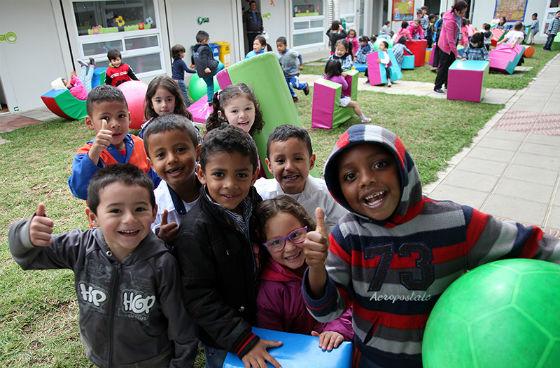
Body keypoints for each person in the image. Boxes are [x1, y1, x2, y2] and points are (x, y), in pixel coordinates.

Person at [301, 124, 560, 368]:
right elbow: (327, 311)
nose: (366, 180)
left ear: (403, 166)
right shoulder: (348, 234)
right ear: (339, 189)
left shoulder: (455, 223)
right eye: (350, 175)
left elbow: (527, 243)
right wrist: (316, 269)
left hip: (438, 357)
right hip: (371, 359)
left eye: (380, 164)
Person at [9, 164, 199, 368]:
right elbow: (28, 257)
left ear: (153, 212)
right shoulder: (80, 246)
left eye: (140, 209)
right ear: (93, 217)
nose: (129, 219)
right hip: (100, 356)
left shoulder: (162, 262)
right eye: (115, 210)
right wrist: (25, 235)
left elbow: (181, 325)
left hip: (152, 361)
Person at [174, 125, 282, 368]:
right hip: (224, 339)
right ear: (201, 174)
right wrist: (241, 339)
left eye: (241, 175)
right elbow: (199, 297)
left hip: (262, 320)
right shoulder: (194, 231)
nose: (230, 185)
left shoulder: (256, 204)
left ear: (255, 174)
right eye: (219, 174)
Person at [255, 196, 354, 350]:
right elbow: (273, 340)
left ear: (307, 228)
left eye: (295, 235)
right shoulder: (269, 291)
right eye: (276, 242)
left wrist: (336, 329)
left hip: (336, 349)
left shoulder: (330, 262)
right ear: (265, 247)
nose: (289, 248)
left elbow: (350, 304)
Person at [68, 85, 159, 200]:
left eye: (121, 116)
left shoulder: (139, 144)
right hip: (110, 216)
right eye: (105, 118)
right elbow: (80, 190)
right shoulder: (87, 153)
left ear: (129, 117)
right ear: (89, 122)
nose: (115, 124)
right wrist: (95, 152)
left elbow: (153, 181)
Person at [254, 124, 347, 231]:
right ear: (269, 165)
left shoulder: (327, 193)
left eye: (298, 159)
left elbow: (341, 225)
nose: (289, 167)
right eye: (280, 161)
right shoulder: (260, 193)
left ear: (311, 162)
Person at [143, 114, 200, 242]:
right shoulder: (154, 206)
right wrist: (160, 239)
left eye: (180, 149)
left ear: (197, 152)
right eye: (161, 155)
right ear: (151, 164)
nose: (172, 159)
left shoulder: (215, 188)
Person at [434, 1, 468, 94]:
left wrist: (462, 40)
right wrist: (456, 54)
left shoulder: (457, 15)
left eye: (465, 11)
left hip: (453, 42)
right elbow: (450, 40)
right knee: (444, 67)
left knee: (451, 65)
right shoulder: (450, 21)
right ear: (456, 10)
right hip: (446, 45)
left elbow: (458, 32)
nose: (463, 14)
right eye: (462, 12)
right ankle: (437, 86)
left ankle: (448, 84)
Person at [276, 36, 310, 102]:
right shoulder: (278, 56)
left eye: (280, 46)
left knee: (295, 85)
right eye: (277, 46)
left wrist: (301, 65)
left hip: (294, 73)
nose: (278, 48)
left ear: (285, 45)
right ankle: (294, 96)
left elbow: (299, 55)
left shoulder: (291, 53)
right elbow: (280, 63)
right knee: (286, 86)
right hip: (285, 74)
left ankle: (304, 85)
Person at [192, 30, 220, 105]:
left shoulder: (195, 49)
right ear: (204, 40)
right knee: (221, 66)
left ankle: (210, 100)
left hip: (201, 72)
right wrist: (205, 68)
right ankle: (224, 85)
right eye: (208, 39)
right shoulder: (204, 48)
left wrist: (193, 64)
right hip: (206, 70)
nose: (208, 41)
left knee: (210, 85)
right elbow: (203, 59)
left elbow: (193, 57)